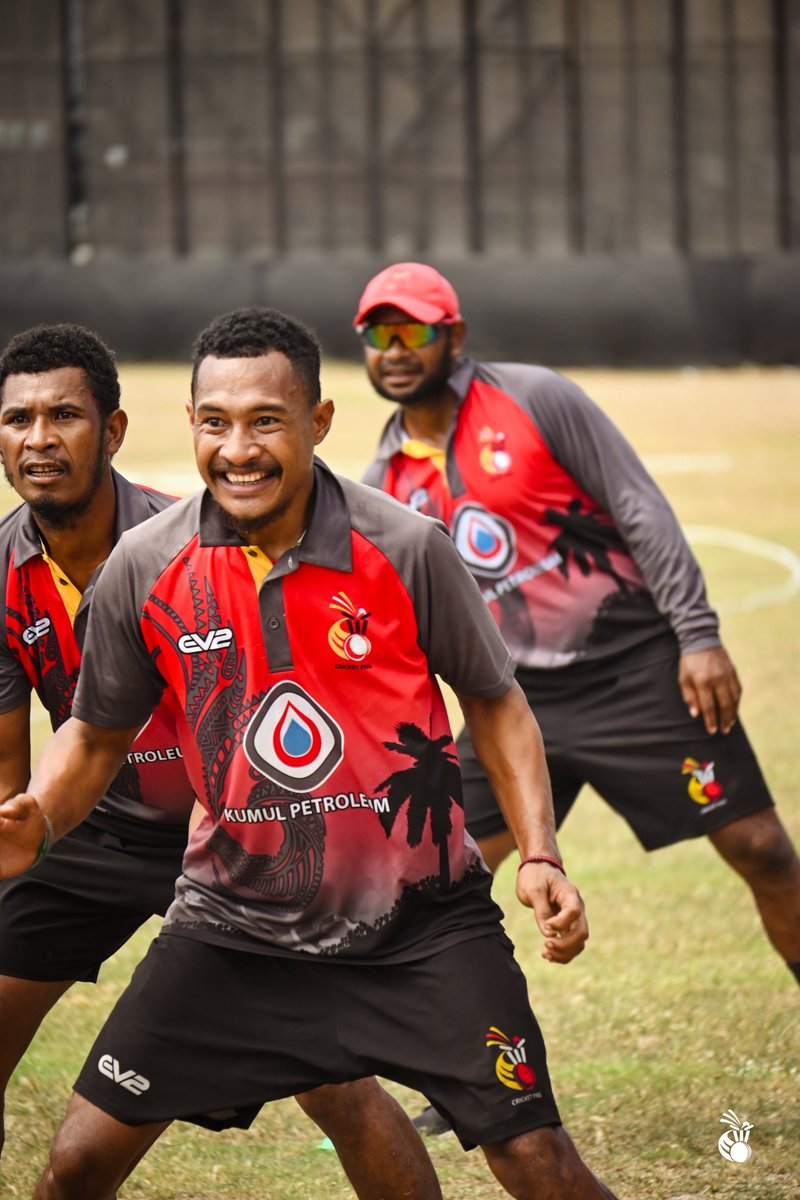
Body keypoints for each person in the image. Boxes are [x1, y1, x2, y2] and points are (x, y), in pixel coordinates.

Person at [0, 308, 620, 1200]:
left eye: (266, 421)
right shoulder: (148, 563)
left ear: (319, 422)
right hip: (234, 927)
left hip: (424, 925)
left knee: (534, 1159)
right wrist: (42, 816)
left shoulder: (404, 546)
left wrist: (540, 855)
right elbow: (96, 733)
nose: (238, 449)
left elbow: (496, 702)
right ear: (190, 426)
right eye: (215, 422)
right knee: (76, 1166)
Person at [355, 262, 800, 978]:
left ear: (454, 335)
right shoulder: (386, 477)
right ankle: (472, 1080)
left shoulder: (535, 396)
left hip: (638, 669)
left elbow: (639, 507)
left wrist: (698, 633)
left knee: (763, 849)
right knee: (431, 882)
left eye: (413, 329)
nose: (395, 348)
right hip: (518, 703)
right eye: (379, 332)